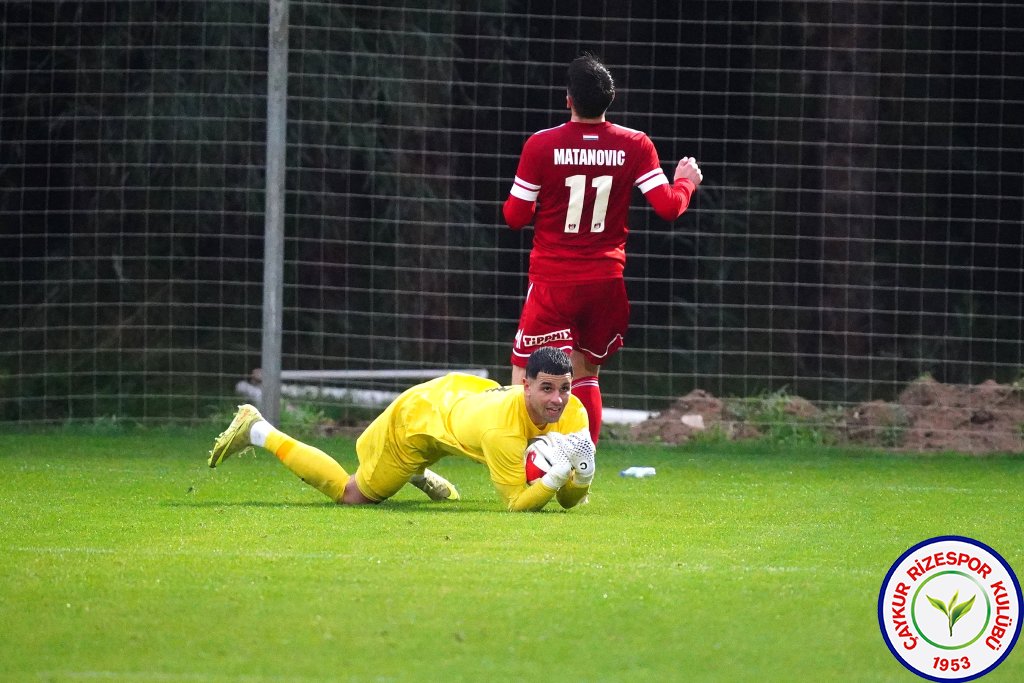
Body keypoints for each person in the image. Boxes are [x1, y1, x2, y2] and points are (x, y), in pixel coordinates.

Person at [503, 53, 703, 445]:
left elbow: (515, 217)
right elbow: (668, 206)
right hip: (605, 281)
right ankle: (583, 468)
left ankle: (524, 468)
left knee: (525, 373)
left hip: (554, 280)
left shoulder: (541, 145)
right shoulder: (635, 144)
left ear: (568, 99)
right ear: (610, 99)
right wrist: (686, 183)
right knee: (586, 374)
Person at [207, 347, 596, 512]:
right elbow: (517, 504)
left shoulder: (573, 410)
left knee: (450, 442)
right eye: (546, 388)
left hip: (457, 399)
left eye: (563, 388)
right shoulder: (502, 431)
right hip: (418, 421)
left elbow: (565, 502)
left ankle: (417, 473)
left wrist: (582, 477)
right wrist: (559, 475)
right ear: (526, 385)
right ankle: (258, 428)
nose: (558, 399)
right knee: (353, 495)